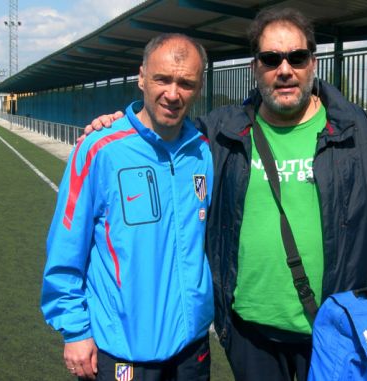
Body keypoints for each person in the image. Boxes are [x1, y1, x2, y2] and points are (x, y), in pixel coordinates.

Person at [86, 8, 367, 381]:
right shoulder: (222, 130)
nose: (285, 69)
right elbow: (161, 124)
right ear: (256, 67)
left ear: (313, 62)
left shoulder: (352, 128)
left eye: (297, 57)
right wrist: (117, 121)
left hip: (331, 326)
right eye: (271, 59)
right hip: (249, 333)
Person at [41, 34, 214, 381]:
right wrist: (75, 330)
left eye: (186, 83)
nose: (173, 93)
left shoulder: (203, 150)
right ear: (141, 77)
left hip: (191, 346)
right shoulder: (99, 148)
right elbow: (66, 246)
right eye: (162, 79)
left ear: (199, 87)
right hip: (122, 349)